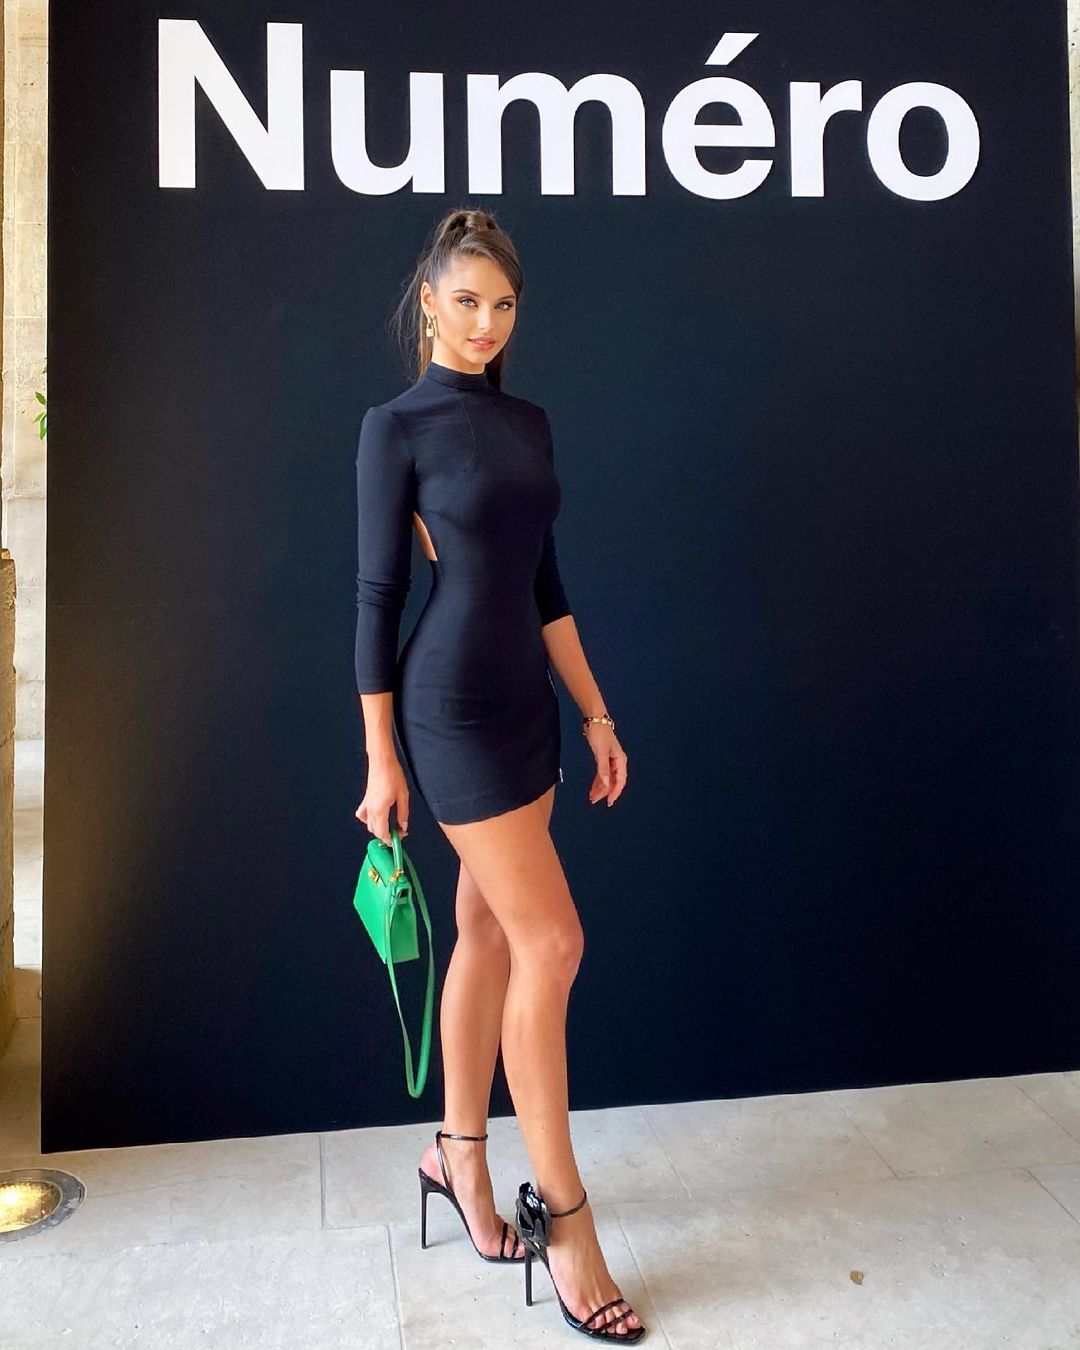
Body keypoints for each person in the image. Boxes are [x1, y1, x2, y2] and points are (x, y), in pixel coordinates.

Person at [353, 206, 643, 1342]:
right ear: (428, 301)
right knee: (553, 943)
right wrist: (380, 757)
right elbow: (377, 599)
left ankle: (457, 1155)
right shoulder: (395, 427)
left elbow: (545, 586)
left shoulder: (528, 421)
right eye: (465, 301)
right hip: (450, 709)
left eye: (503, 304)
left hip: (528, 709)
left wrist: (596, 713)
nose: (484, 322)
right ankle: (566, 1216)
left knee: (486, 930)